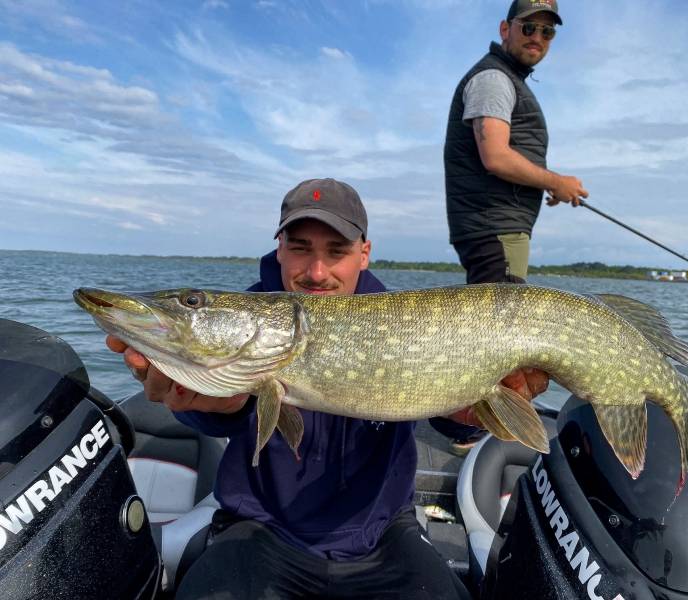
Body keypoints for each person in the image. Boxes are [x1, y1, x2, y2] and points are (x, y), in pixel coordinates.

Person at [107, 177, 549, 599]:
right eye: (300, 249)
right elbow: (216, 404)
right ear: (278, 249)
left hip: (383, 533)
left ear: (364, 253)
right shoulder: (254, 312)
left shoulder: (407, 322)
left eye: (336, 251)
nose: (316, 272)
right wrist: (217, 405)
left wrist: (467, 419)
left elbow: (452, 423)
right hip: (262, 526)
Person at [434, 0, 586, 453]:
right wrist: (555, 180)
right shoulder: (494, 80)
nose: (537, 37)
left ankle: (464, 422)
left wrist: (548, 186)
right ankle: (466, 430)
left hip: (495, 224)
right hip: (494, 228)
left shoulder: (505, 80)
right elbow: (495, 155)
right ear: (506, 28)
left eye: (548, 31)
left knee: (489, 334)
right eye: (529, 27)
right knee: (498, 340)